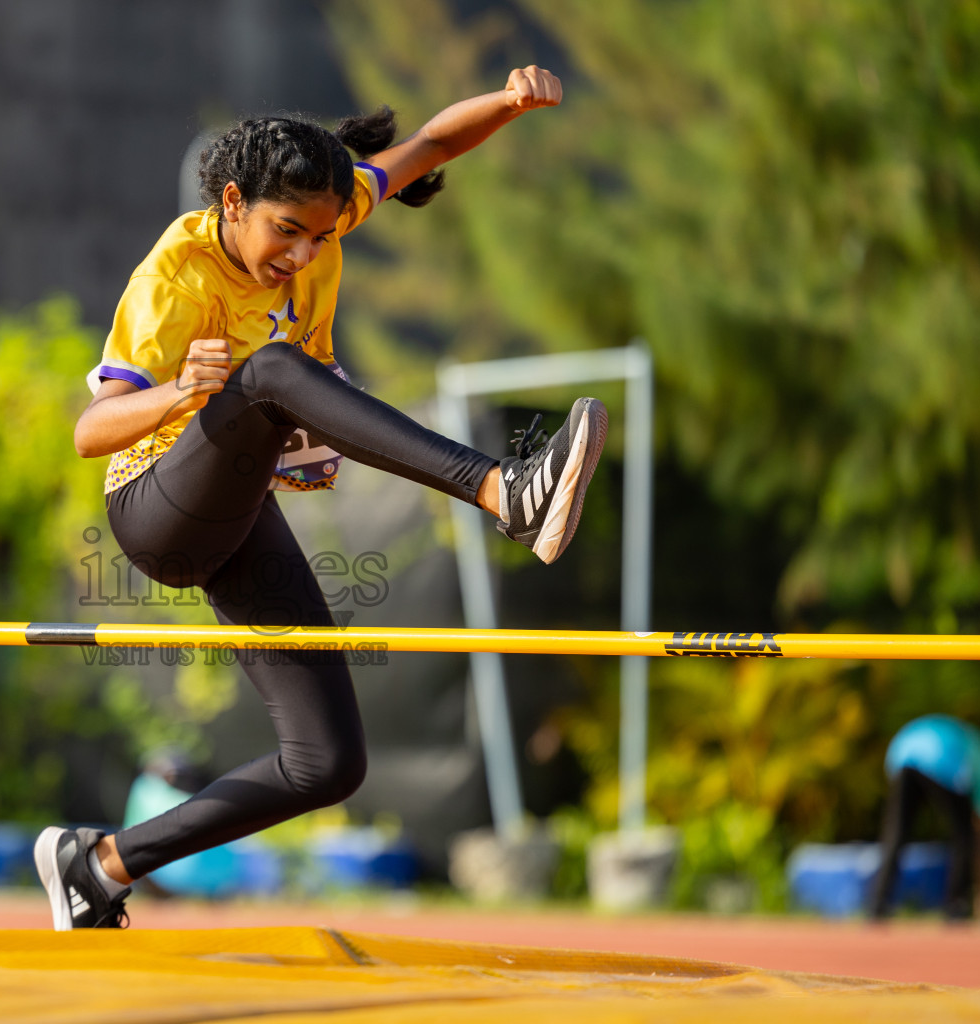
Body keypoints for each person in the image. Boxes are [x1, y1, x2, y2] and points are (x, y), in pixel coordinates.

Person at [34, 66, 607, 931]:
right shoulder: (176, 277)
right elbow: (91, 432)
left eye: (322, 235)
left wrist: (508, 101)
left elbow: (433, 146)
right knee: (267, 369)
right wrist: (182, 392)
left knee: (326, 763)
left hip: (235, 514)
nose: (303, 255)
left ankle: (100, 865)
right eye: (286, 233)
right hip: (154, 509)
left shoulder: (326, 210)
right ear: (233, 202)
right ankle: (501, 488)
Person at [868, 714, 980, 920]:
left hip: (901, 753)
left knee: (896, 831)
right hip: (941, 759)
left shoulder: (968, 737)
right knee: (964, 836)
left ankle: (878, 903)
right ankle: (956, 904)